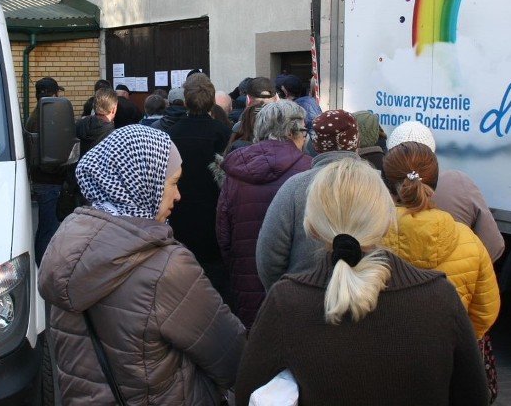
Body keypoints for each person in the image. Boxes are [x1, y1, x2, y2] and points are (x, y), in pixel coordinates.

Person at [235, 157, 488, 405]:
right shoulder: (441, 297)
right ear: (388, 222)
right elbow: (474, 396)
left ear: (311, 227)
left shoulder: (286, 302)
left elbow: (249, 393)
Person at [38, 125, 246, 405]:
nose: (178, 196)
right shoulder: (166, 267)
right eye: (172, 183)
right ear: (143, 183)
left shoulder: (64, 246)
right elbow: (231, 356)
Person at [381, 141, 501, 341]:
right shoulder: (469, 240)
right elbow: (485, 312)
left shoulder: (367, 239)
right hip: (447, 357)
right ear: (435, 184)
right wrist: (455, 346)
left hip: (384, 353)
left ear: (386, 186)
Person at [216, 100, 312, 329]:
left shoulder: (236, 168)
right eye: (304, 132)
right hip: (297, 283)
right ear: (292, 132)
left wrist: (236, 267)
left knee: (254, 347)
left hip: (245, 277)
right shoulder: (310, 170)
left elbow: (223, 233)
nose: (306, 139)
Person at [256, 109, 360, 289]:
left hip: (303, 299)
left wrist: (285, 294)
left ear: (316, 144)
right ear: (356, 142)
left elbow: (269, 257)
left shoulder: (295, 187)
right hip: (368, 299)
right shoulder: (378, 186)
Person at [387, 120, 505, 262]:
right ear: (432, 154)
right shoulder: (460, 182)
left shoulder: (373, 193)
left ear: (390, 158)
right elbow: (493, 246)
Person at [165, 73, 233, 298]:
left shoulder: (172, 134)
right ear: (212, 102)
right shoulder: (224, 133)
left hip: (179, 215)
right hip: (213, 217)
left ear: (185, 101)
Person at [25, 76, 66, 266]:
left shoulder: (35, 115)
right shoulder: (48, 117)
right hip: (49, 180)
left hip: (42, 179)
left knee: (46, 227)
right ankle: (43, 267)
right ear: (53, 94)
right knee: (48, 228)